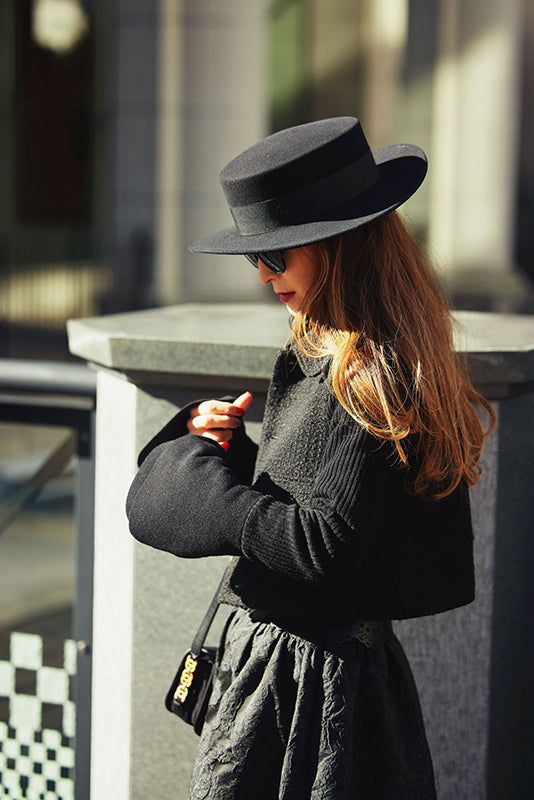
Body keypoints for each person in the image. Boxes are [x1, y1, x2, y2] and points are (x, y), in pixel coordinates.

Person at [126, 117, 495, 800]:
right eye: (253, 258)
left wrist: (208, 487)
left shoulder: (371, 371)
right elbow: (316, 497)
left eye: (276, 256)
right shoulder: (345, 352)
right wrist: (229, 451)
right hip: (313, 672)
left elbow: (322, 544)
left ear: (339, 247)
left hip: (309, 686)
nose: (264, 277)